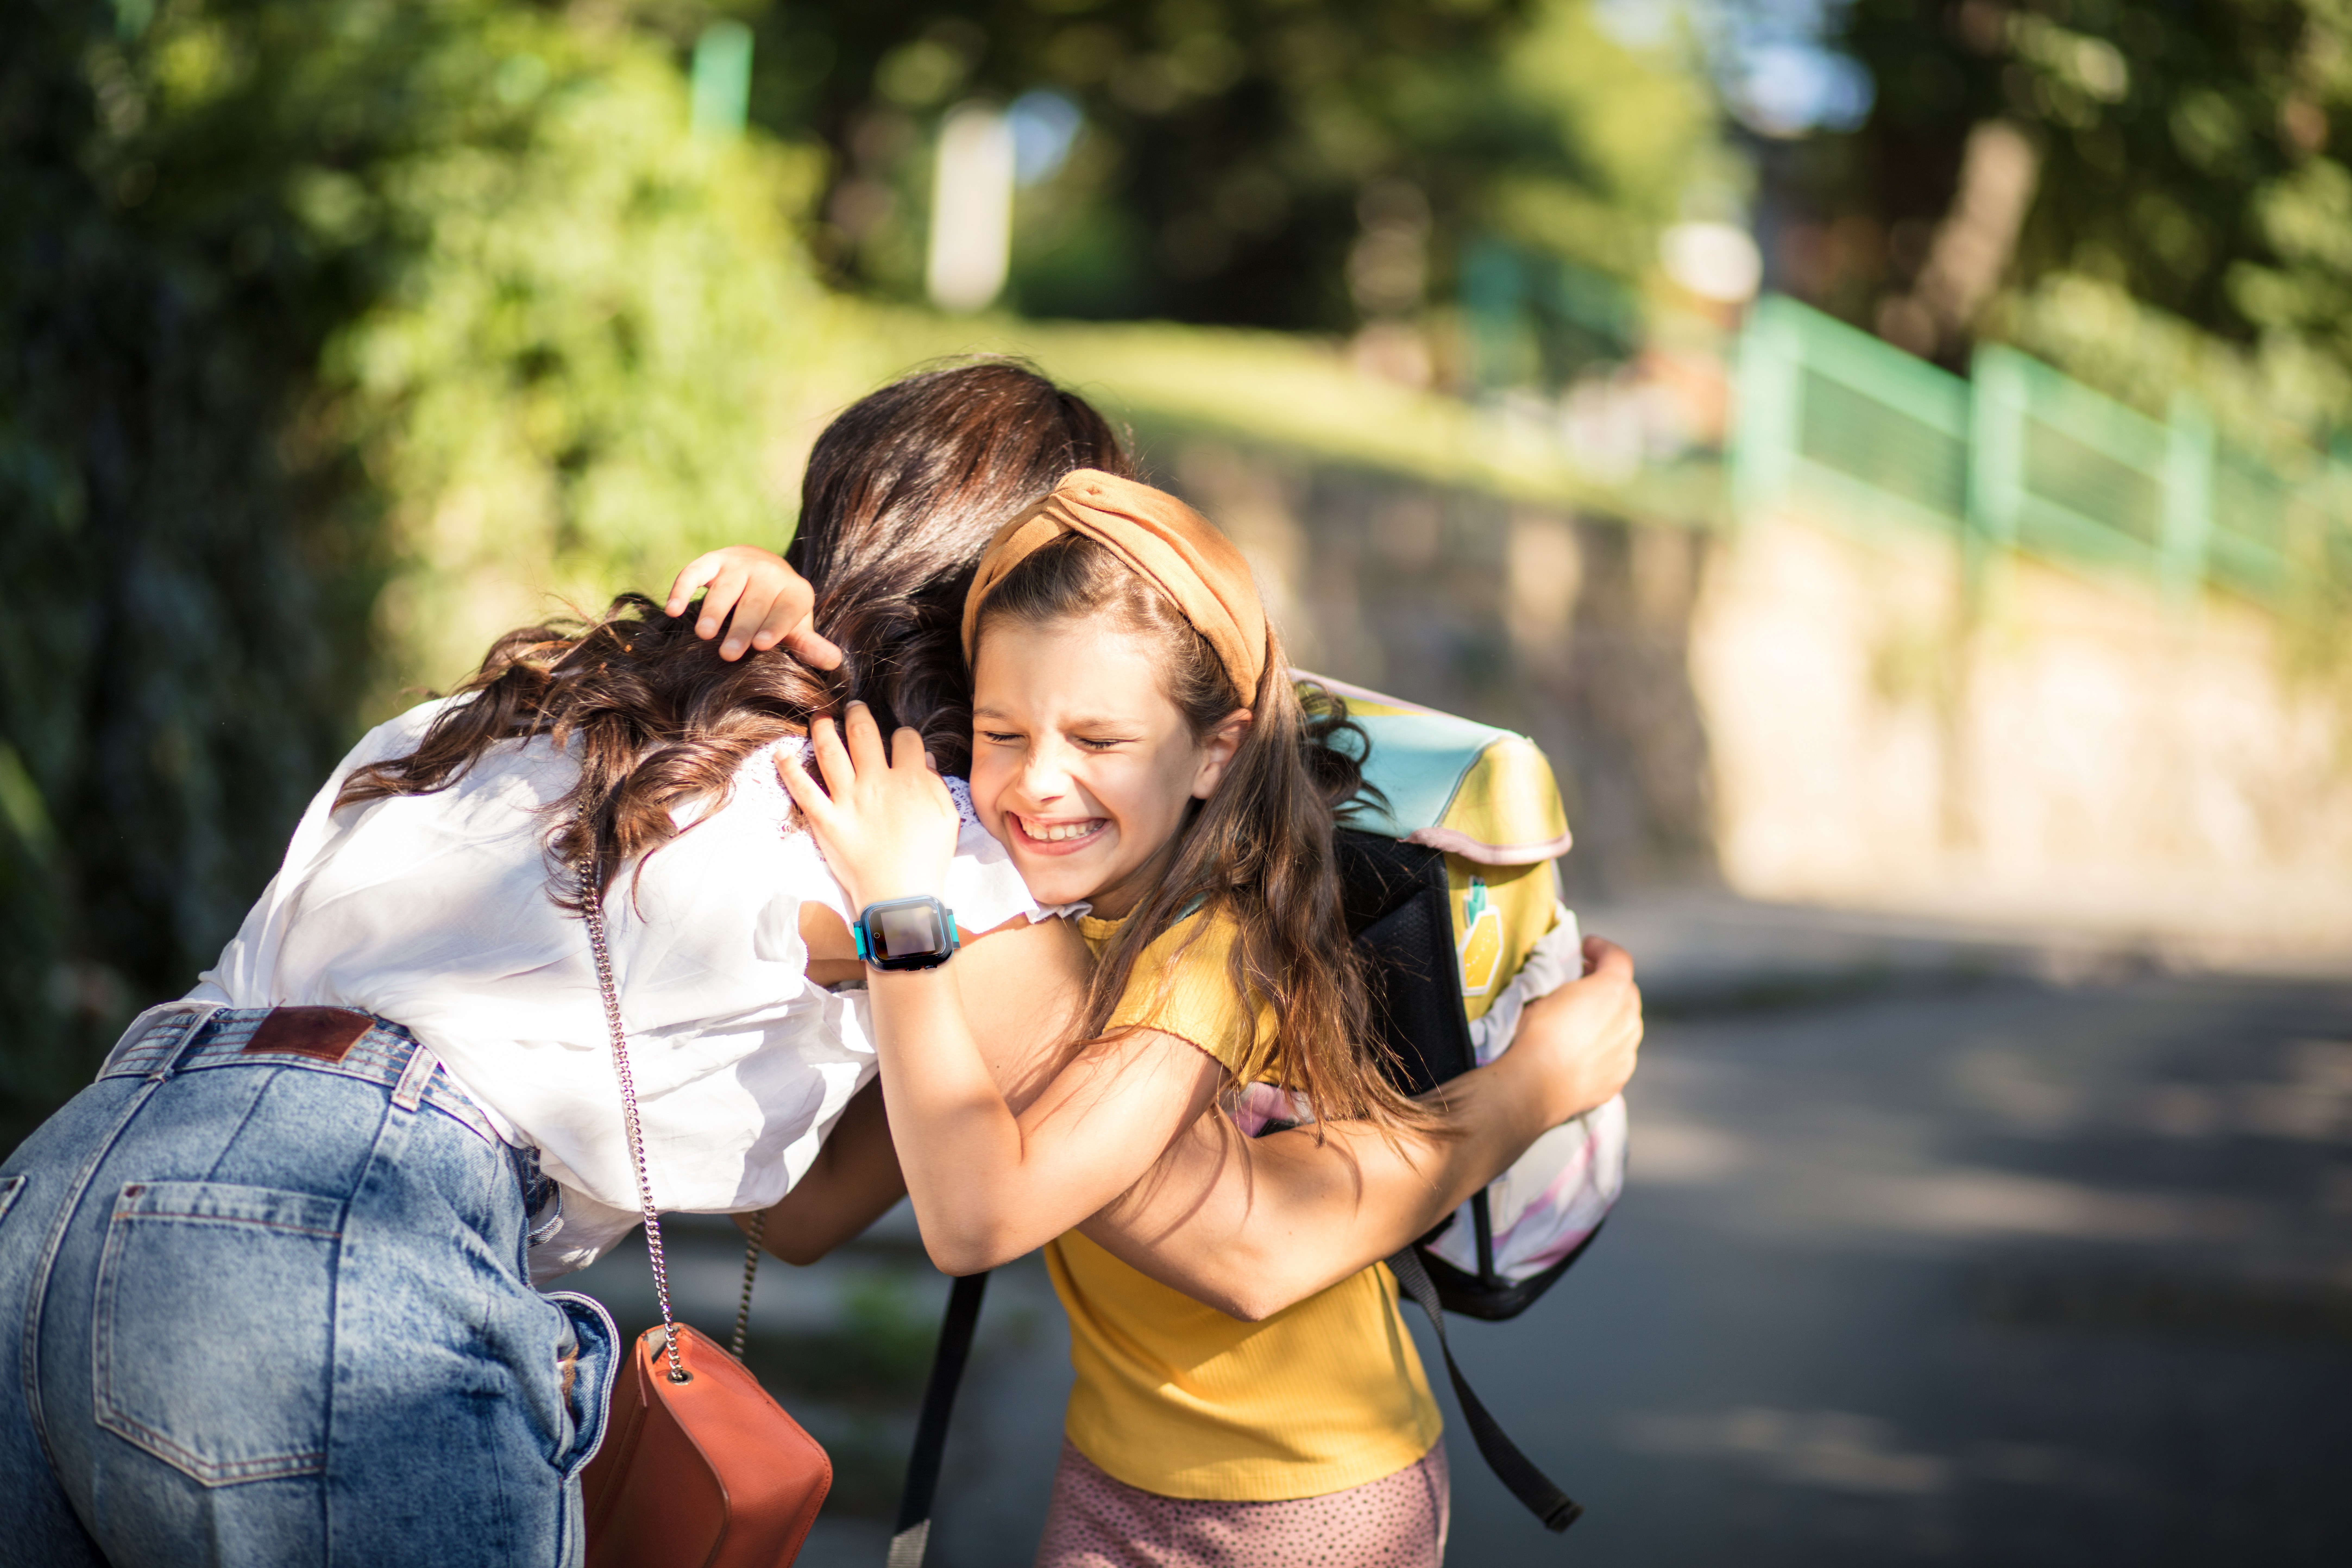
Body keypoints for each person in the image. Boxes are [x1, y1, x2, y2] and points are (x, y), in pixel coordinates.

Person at [0, 364, 1637, 1568]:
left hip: (66, 1188)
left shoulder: (556, 705)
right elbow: (1239, 1239)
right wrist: (1525, 1099)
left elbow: (802, 1206)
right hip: (332, 1257)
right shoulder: (920, 842)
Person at [781, 467, 1616, 1568]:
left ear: (1212, 752)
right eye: (1001, 731)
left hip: (1313, 1500)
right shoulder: (1037, 931)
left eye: (1099, 739)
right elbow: (798, 1219)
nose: (1039, 783)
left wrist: (899, 917)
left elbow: (975, 1221)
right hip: (1113, 1472)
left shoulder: (1214, 946)